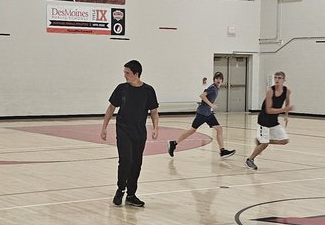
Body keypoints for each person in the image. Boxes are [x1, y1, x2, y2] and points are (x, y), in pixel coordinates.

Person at [100, 60, 160, 207]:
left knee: (136, 163)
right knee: (125, 160)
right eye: (124, 72)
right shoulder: (122, 89)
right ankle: (120, 189)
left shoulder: (148, 90)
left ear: (136, 74)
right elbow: (111, 108)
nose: (124, 75)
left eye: (127, 73)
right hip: (123, 129)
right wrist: (104, 127)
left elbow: (154, 111)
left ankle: (131, 195)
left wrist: (155, 127)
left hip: (139, 132)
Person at [168, 72, 235, 158]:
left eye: (220, 79)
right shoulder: (212, 88)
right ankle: (173, 143)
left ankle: (222, 151)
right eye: (217, 78)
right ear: (214, 79)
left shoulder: (216, 88)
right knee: (192, 131)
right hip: (202, 113)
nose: (218, 80)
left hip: (208, 114)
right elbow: (202, 96)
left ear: (222, 80)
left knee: (219, 129)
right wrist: (211, 105)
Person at [246, 71, 292, 169]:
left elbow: (287, 102)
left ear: (284, 80)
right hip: (264, 120)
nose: (277, 80)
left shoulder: (287, 91)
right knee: (265, 144)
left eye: (279, 78)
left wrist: (286, 115)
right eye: (276, 77)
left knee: (284, 140)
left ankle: (261, 141)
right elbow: (269, 110)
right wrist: (284, 110)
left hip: (274, 120)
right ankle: (250, 159)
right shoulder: (270, 91)